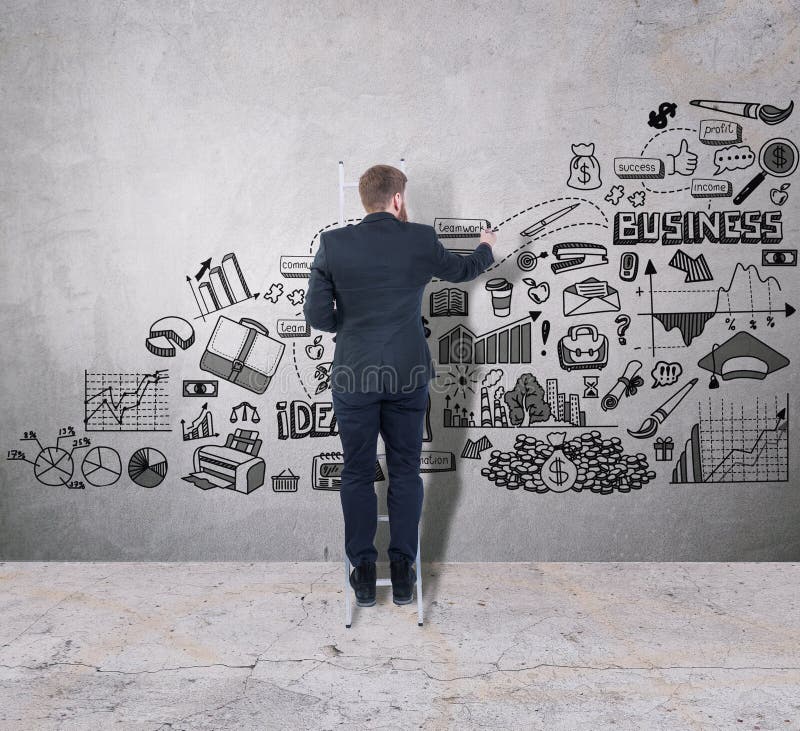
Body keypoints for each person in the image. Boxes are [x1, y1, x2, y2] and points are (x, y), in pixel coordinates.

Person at [303, 164, 497, 608]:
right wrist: (485, 247)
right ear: (397, 199)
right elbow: (464, 270)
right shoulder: (420, 239)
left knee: (355, 472)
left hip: (355, 373)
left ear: (365, 199)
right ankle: (405, 573)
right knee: (405, 471)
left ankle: (364, 573)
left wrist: (347, 327)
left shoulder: (332, 244)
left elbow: (316, 317)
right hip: (408, 373)